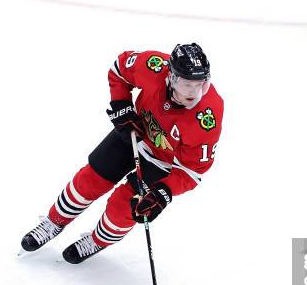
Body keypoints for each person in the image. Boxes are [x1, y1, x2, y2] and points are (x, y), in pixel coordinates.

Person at [20, 43, 224, 264]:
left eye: (200, 84)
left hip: (163, 162)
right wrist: (122, 105)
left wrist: (163, 192)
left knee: (124, 207)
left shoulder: (207, 117)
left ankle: (98, 240)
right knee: (89, 180)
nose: (194, 93)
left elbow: (192, 171)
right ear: (171, 77)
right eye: (187, 85)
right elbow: (119, 69)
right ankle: (54, 221)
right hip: (135, 132)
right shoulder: (153, 66)